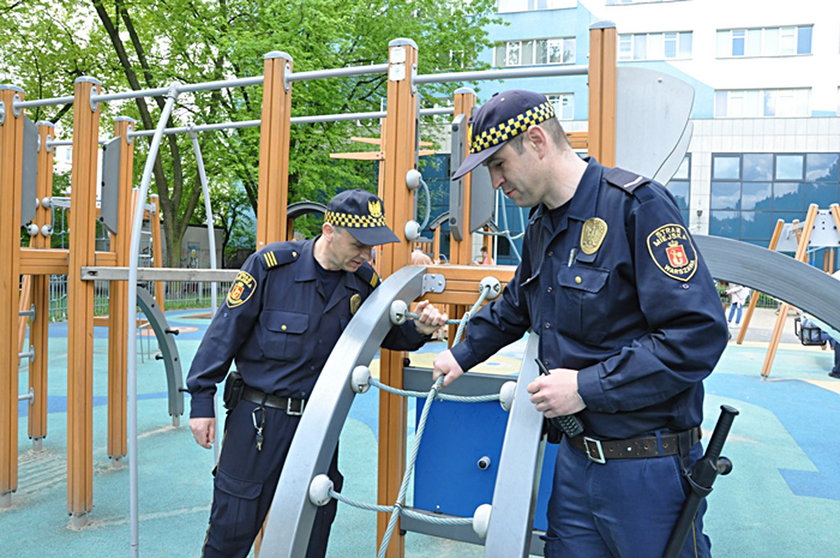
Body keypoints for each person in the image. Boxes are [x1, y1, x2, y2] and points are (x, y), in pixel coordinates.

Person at [431, 90, 728, 557]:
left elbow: (697, 335)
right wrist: (461, 353)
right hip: (575, 461)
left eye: (499, 164)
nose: (495, 180)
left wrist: (587, 386)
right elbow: (517, 304)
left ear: (536, 141)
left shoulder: (637, 206)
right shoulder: (543, 224)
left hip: (646, 469)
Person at [187, 189, 448, 558]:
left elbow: (391, 335)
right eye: (359, 244)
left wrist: (421, 328)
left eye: (372, 247)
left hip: (319, 423)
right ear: (329, 230)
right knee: (231, 532)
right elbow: (224, 332)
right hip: (259, 422)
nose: (367, 255)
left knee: (312, 532)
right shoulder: (272, 267)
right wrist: (201, 400)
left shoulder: (363, 282)